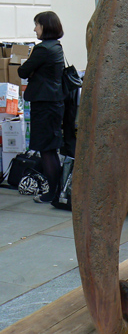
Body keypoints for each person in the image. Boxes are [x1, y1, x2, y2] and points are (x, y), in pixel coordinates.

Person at [18, 11, 65, 203]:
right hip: (54, 103)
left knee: (46, 149)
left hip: (44, 105)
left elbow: (23, 70)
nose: (34, 28)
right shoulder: (57, 47)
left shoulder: (42, 49)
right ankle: (56, 190)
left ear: (45, 26)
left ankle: (51, 192)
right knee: (51, 149)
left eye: (37, 24)